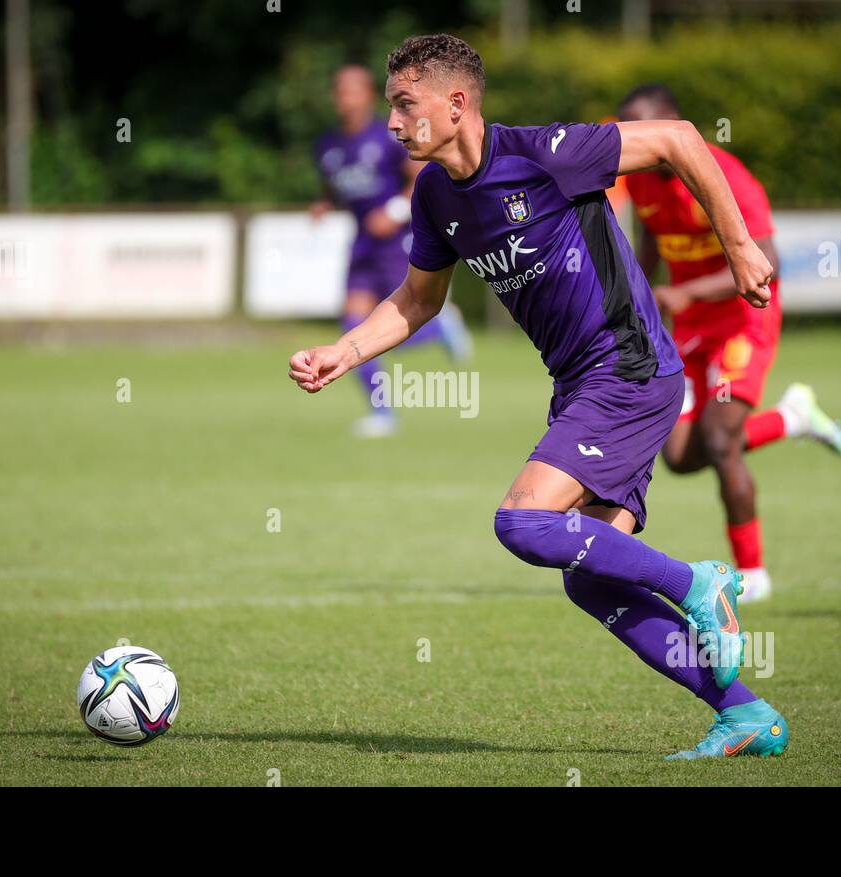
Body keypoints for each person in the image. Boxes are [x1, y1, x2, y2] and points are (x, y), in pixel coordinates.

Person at [289, 35, 787, 759]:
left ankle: (699, 580)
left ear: (456, 104)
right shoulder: (433, 195)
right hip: (582, 384)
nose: (392, 123)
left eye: (404, 104)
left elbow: (680, 140)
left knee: (521, 523)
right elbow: (419, 300)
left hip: (629, 368)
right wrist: (344, 351)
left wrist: (739, 246)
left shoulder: (546, 153)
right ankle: (745, 713)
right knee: (590, 577)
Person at [619, 84, 841, 603]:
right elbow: (654, 239)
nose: (632, 138)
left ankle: (755, 575)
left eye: (640, 125)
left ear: (674, 125)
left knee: (721, 442)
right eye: (626, 129)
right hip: (686, 327)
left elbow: (768, 264)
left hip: (745, 320)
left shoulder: (724, 175)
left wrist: (686, 291)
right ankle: (791, 418)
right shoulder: (642, 182)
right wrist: (636, 289)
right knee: (678, 456)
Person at [311, 64, 472, 438]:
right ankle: (382, 413)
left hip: (398, 240)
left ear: (368, 95)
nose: (345, 98)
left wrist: (394, 211)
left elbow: (420, 176)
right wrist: (323, 205)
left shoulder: (387, 136)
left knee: (399, 320)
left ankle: (439, 328)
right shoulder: (329, 145)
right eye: (339, 91)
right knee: (351, 327)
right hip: (363, 243)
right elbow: (336, 189)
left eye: (352, 91)